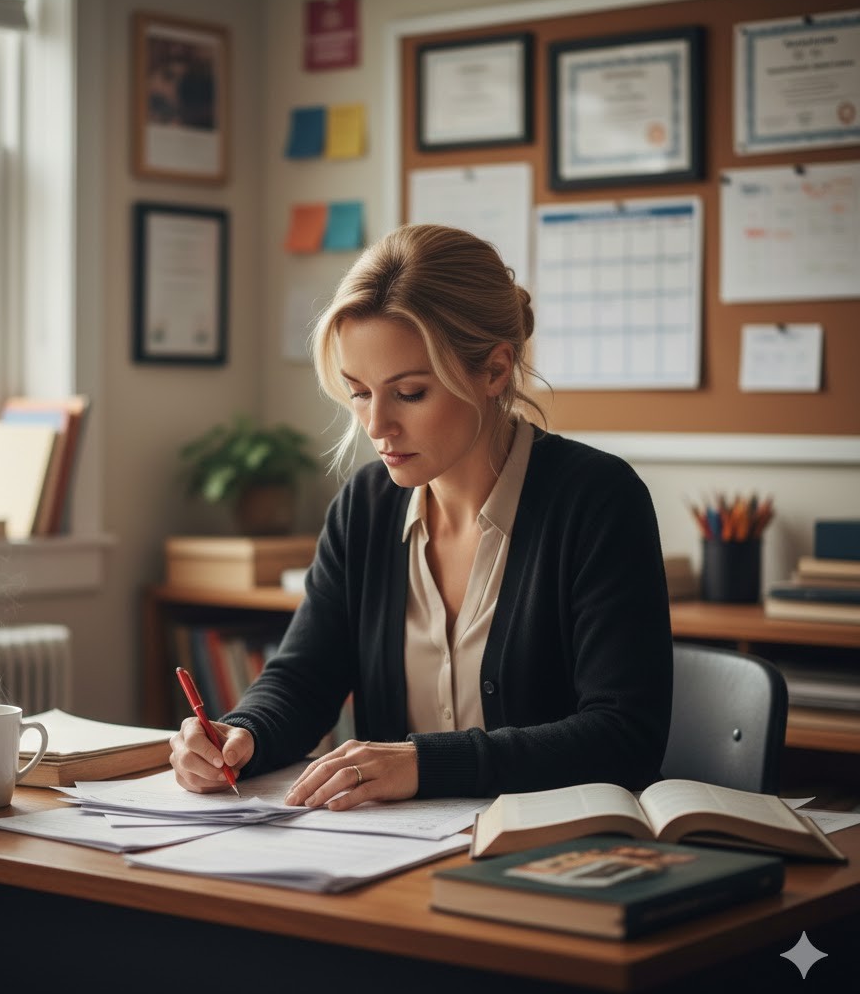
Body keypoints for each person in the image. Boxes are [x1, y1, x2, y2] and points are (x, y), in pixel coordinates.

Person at [169, 223, 673, 810]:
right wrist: (242, 734)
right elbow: (303, 678)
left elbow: (625, 738)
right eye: (359, 392)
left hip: (551, 856)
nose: (377, 425)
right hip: (397, 860)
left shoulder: (598, 500)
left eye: (408, 393)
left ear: (494, 370)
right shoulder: (363, 509)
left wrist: (426, 763)